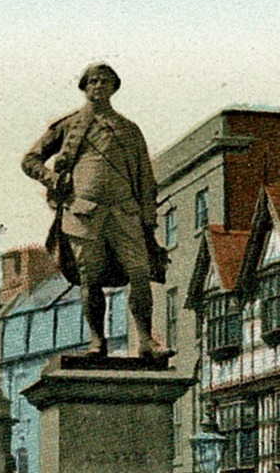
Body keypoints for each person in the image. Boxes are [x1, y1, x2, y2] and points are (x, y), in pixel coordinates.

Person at [21, 62, 170, 360]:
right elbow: (30, 160)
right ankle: (96, 341)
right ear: (84, 87)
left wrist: (148, 218)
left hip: (125, 214)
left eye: (104, 81)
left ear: (114, 87)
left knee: (140, 273)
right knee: (90, 280)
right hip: (82, 214)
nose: (97, 86)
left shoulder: (129, 129)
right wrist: (52, 178)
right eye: (92, 81)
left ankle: (145, 341)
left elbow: (144, 176)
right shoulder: (69, 125)